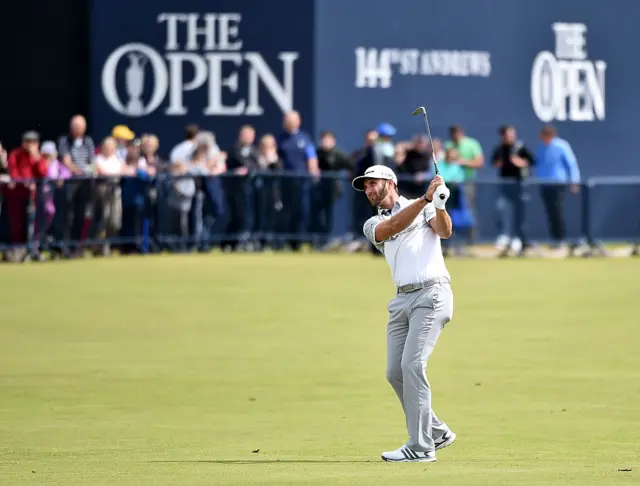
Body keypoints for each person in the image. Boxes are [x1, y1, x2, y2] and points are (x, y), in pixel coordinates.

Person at [351, 165, 456, 463]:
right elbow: (391, 229)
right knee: (394, 372)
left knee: (412, 365)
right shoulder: (372, 223)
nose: (369, 189)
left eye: (373, 183)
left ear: (390, 182)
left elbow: (445, 231)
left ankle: (422, 447)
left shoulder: (419, 206)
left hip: (432, 293)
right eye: (366, 186)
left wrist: (439, 204)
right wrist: (426, 200)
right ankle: (436, 431)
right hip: (401, 301)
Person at [534, 125, 580, 252]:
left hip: (558, 183)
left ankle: (560, 239)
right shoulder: (541, 147)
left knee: (557, 211)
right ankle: (554, 239)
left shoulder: (561, 145)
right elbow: (537, 163)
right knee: (550, 212)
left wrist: (574, 181)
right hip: (544, 184)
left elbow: (571, 164)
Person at [491, 125, 535, 256]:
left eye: (511, 134)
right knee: (503, 210)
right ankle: (505, 237)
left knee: (519, 214)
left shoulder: (520, 147)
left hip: (519, 185)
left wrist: (519, 162)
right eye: (507, 134)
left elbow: (531, 161)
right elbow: (494, 163)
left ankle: (519, 239)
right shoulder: (500, 148)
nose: (509, 137)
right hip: (505, 186)